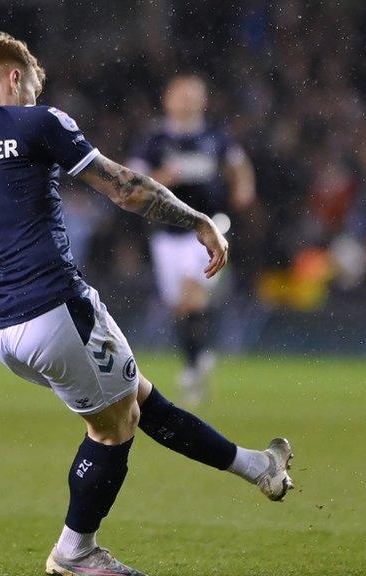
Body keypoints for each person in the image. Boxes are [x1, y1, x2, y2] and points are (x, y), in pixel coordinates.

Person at [0, 32, 292, 576]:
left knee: (136, 395)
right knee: (114, 427)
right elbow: (124, 187)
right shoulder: (36, 122)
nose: (32, 96)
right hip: (53, 308)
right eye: (30, 86)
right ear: (12, 78)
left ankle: (258, 467)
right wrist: (196, 219)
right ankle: (76, 552)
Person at [127, 75, 256, 406]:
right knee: (182, 307)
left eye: (192, 96)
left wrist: (243, 188)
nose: (186, 102)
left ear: (203, 100)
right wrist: (160, 179)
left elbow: (239, 165)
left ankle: (194, 365)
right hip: (167, 234)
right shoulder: (154, 139)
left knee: (193, 295)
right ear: (168, 99)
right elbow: (130, 179)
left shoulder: (215, 136)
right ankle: (196, 360)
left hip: (207, 228)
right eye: (180, 95)